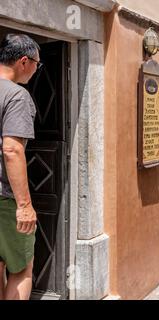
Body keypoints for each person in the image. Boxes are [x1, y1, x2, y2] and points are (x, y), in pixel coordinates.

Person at [0, 34, 40, 300]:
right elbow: (12, 149)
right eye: (38, 63)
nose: (37, 70)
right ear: (24, 61)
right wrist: (24, 206)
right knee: (21, 268)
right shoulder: (17, 95)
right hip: (4, 199)